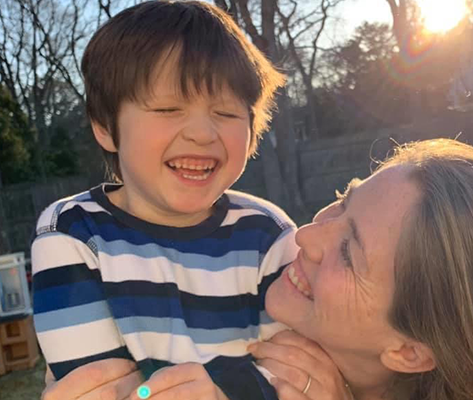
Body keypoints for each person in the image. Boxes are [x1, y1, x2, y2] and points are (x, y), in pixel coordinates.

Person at [40, 139, 473, 400]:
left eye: (349, 252)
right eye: (343, 201)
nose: (305, 236)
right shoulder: (234, 303)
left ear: (409, 351)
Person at [31, 2, 298, 400]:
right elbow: (103, 386)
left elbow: (297, 372)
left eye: (225, 112)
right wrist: (246, 384)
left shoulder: (267, 234)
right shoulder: (73, 232)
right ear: (105, 127)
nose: (203, 133)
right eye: (168, 108)